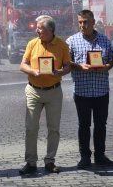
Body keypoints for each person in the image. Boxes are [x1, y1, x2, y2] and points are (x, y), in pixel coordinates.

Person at [18, 16, 71, 175]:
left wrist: (60, 72)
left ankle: (49, 161)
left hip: (54, 91)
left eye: (40, 29)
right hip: (33, 90)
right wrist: (33, 71)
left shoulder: (62, 45)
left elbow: (68, 66)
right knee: (31, 127)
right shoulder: (32, 43)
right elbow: (22, 64)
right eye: (38, 29)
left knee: (53, 128)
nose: (37, 31)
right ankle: (31, 162)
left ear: (50, 31)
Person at [66, 9, 113, 169]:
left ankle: (100, 155)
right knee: (84, 125)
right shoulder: (71, 41)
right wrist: (79, 66)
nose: (82, 25)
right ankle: (85, 157)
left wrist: (105, 67)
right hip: (82, 91)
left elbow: (111, 60)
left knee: (101, 124)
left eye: (86, 22)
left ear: (93, 22)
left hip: (101, 90)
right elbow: (66, 63)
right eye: (80, 22)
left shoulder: (105, 40)